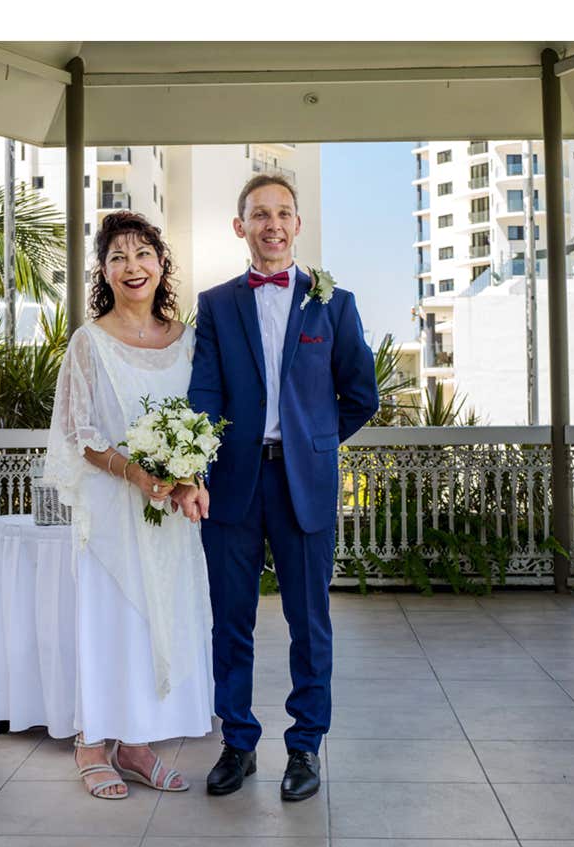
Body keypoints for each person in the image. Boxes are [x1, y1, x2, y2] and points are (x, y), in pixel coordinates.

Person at [184, 172, 377, 803]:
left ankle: (305, 746)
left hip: (305, 483)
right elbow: (205, 392)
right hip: (232, 483)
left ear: (298, 224)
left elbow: (361, 395)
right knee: (230, 621)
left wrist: (313, 442)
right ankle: (237, 742)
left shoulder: (333, 303)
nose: (273, 224)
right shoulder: (216, 304)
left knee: (309, 622)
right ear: (240, 226)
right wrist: (196, 466)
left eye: (283, 213)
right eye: (260, 214)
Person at [33, 211, 213, 798]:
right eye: (117, 258)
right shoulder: (89, 343)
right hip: (112, 505)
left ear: (161, 265)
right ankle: (91, 743)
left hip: (170, 515)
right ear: (104, 273)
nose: (132, 267)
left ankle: (136, 744)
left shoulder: (188, 340)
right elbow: (79, 431)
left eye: (142, 255)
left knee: (157, 623)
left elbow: (203, 420)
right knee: (112, 623)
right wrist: (135, 473)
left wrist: (186, 476)